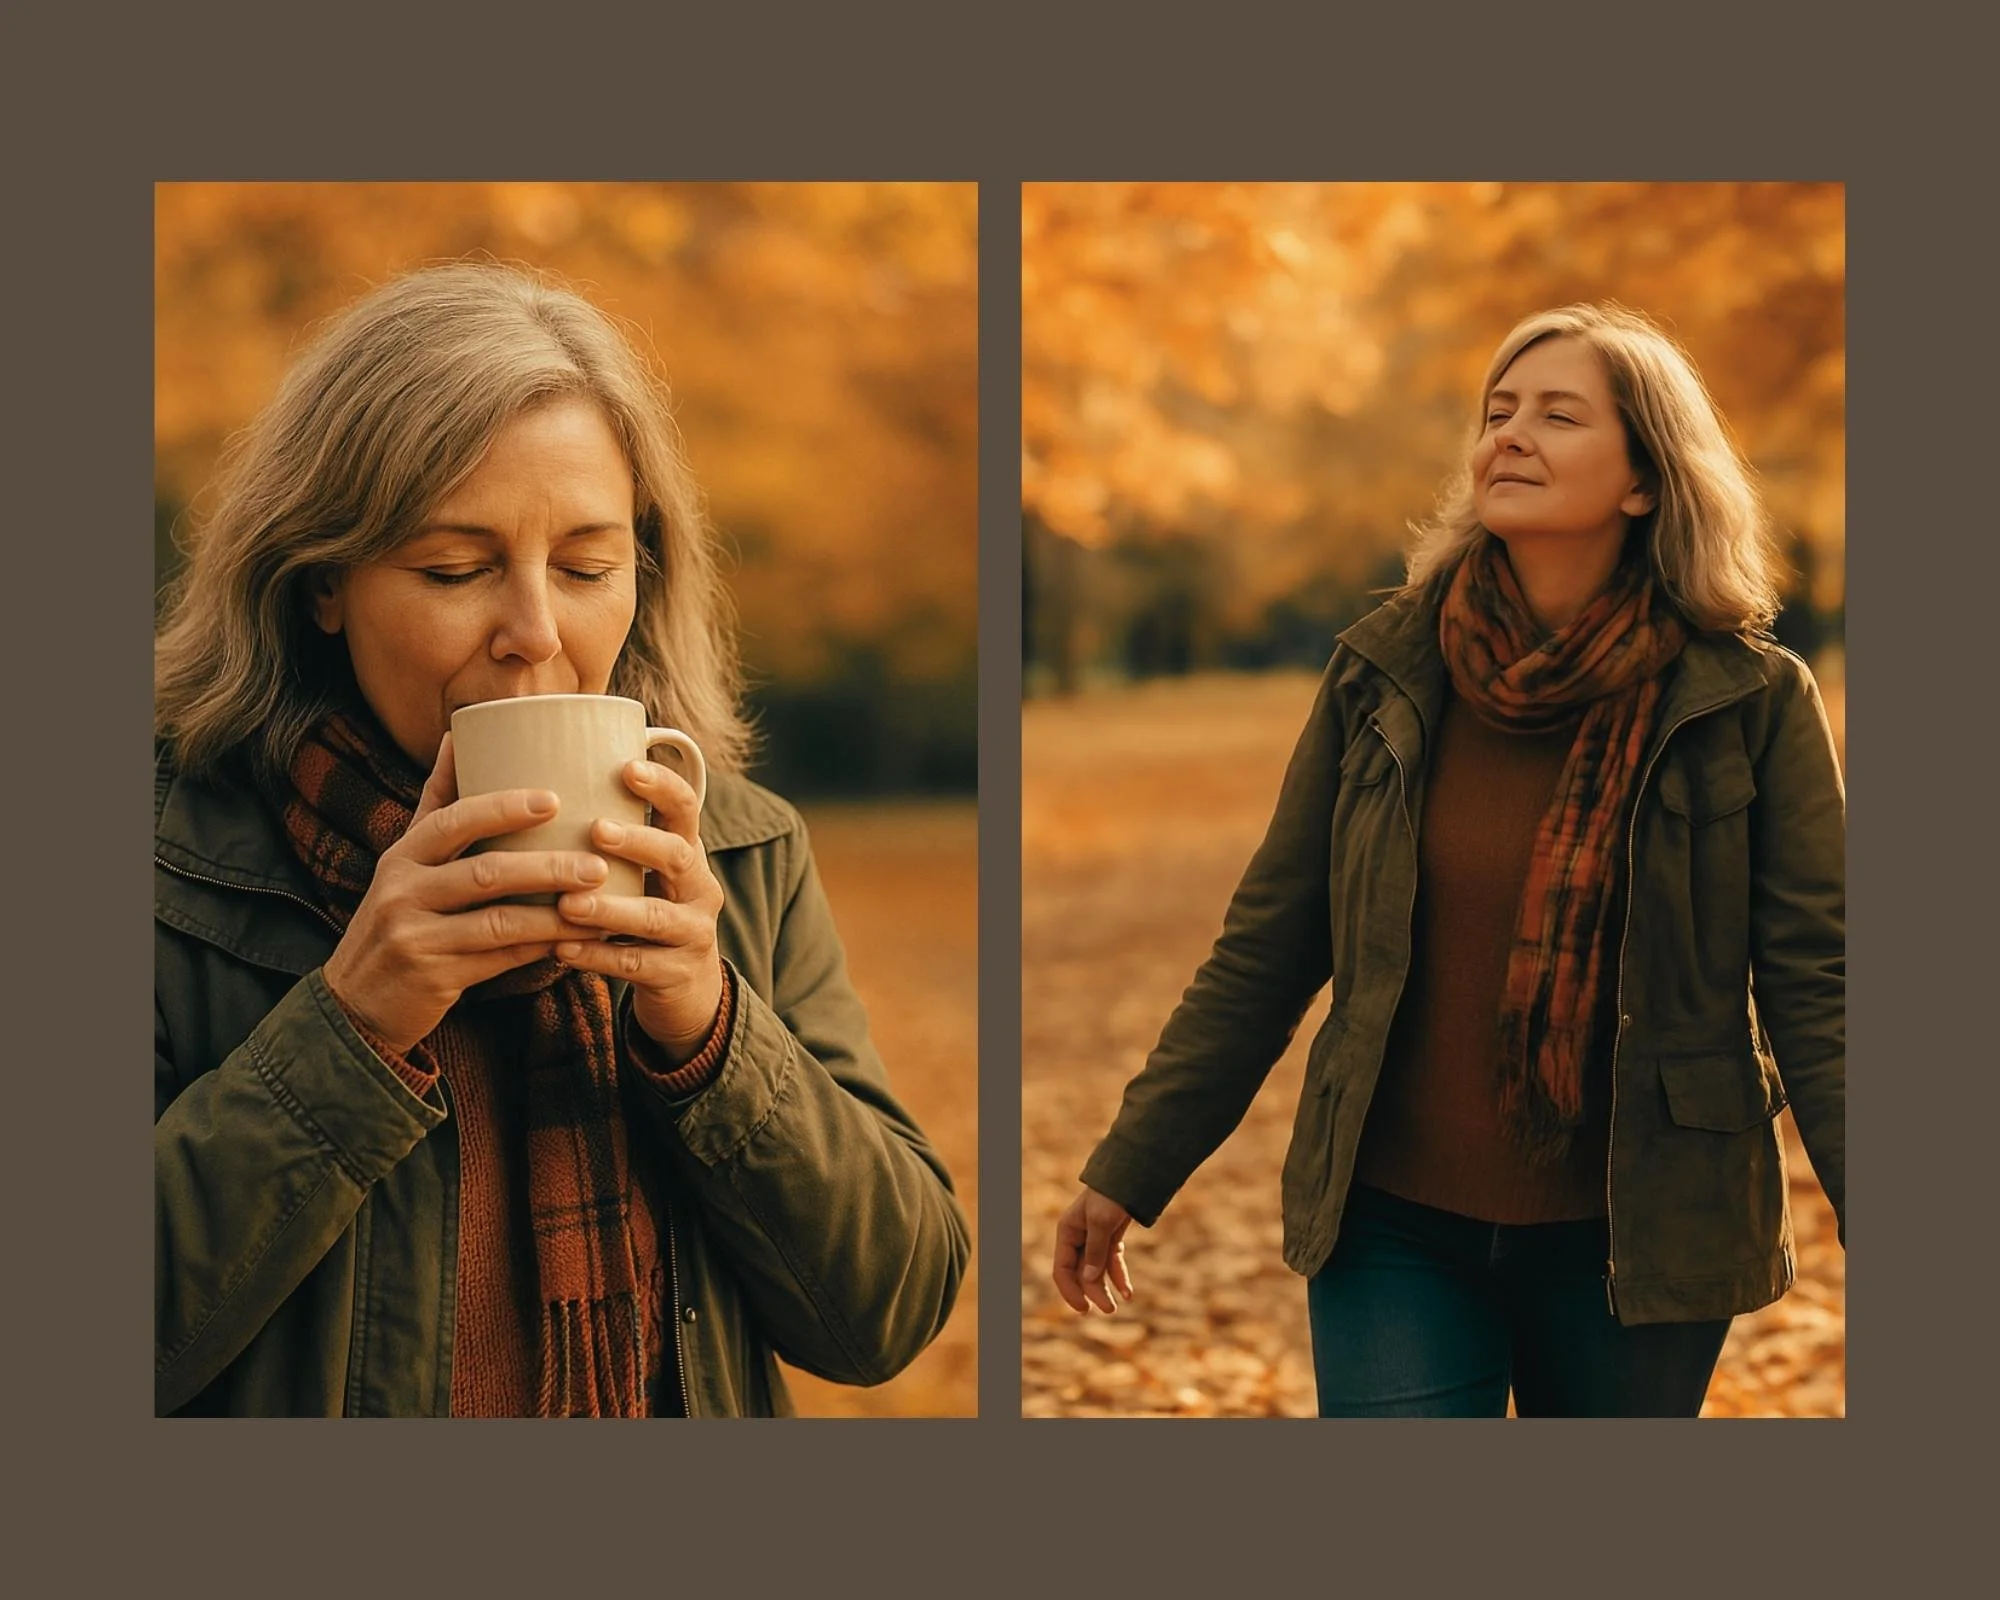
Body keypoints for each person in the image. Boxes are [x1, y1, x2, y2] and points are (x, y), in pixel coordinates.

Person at [155, 262, 969, 1417]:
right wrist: (350, 1032)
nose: (533, 634)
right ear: (321, 581)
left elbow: (888, 1308)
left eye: (587, 567)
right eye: (455, 569)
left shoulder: (735, 853)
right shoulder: (162, 862)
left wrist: (708, 1023)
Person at [1052, 303, 1844, 1418]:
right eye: (1496, 411)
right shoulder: (1384, 671)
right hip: (1391, 1221)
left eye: (1557, 415)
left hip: (1640, 1231)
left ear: (1643, 481)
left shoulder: (1747, 704)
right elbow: (1271, 944)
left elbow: (1818, 986)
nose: (1508, 435)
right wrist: (1130, 1166)